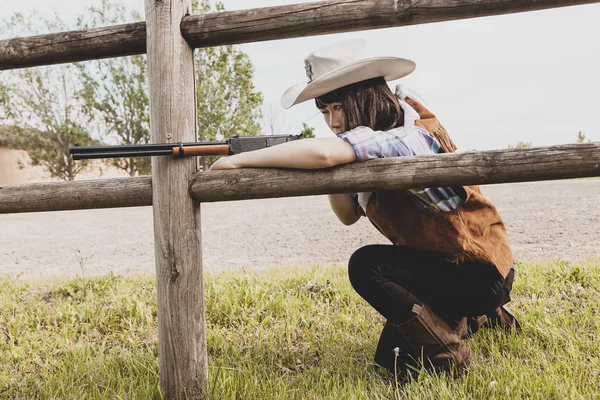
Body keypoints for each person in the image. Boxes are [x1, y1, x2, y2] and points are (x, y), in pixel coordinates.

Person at [211, 39, 519, 377]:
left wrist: (240, 161)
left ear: (362, 97)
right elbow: (347, 215)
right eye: (325, 111)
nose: (331, 121)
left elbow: (326, 153)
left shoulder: (409, 137)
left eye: (337, 108)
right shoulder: (371, 140)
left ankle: (451, 355)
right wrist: (330, 170)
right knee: (393, 363)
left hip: (480, 272)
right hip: (445, 267)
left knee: (366, 265)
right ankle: (477, 317)